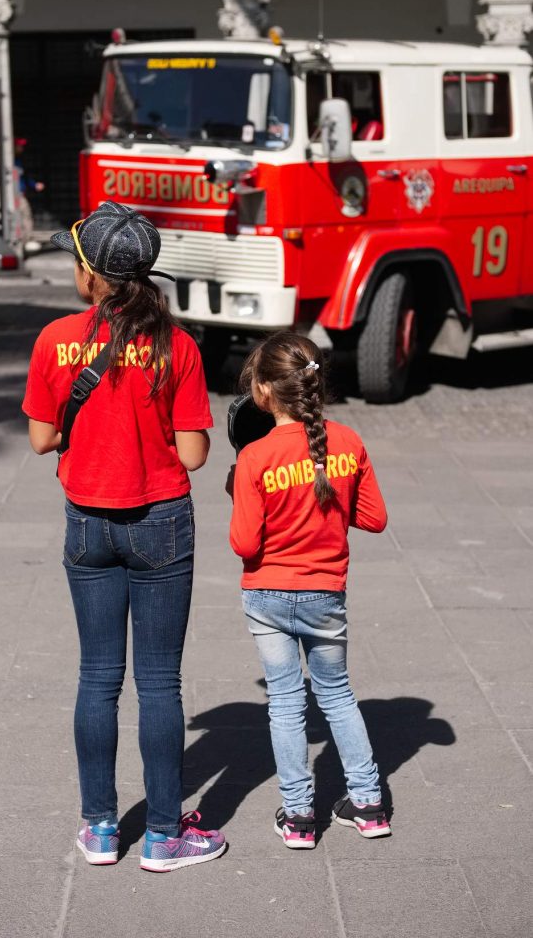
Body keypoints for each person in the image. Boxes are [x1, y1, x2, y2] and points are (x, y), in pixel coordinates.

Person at [22, 201, 226, 872]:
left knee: (97, 678)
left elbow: (40, 438)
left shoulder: (54, 340)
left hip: (88, 523)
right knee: (159, 683)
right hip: (160, 522)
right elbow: (195, 455)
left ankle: (102, 829)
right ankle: (166, 836)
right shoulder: (179, 344)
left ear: (91, 276)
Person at [227, 331, 391, 848]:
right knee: (338, 695)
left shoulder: (256, 456)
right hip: (325, 595)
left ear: (262, 391)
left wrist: (239, 491)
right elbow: (374, 518)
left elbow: (243, 542)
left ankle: (298, 817)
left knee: (285, 702)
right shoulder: (348, 444)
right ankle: (367, 803)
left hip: (269, 595)